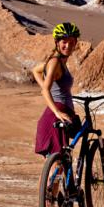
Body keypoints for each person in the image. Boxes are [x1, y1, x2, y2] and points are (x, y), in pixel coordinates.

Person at [32, 22, 81, 157]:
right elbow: (45, 91)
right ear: (57, 42)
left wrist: (50, 90)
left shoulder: (60, 61)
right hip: (56, 118)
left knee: (58, 169)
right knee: (57, 167)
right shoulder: (55, 62)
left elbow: (35, 70)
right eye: (64, 42)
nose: (68, 45)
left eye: (72, 42)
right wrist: (57, 112)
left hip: (61, 115)